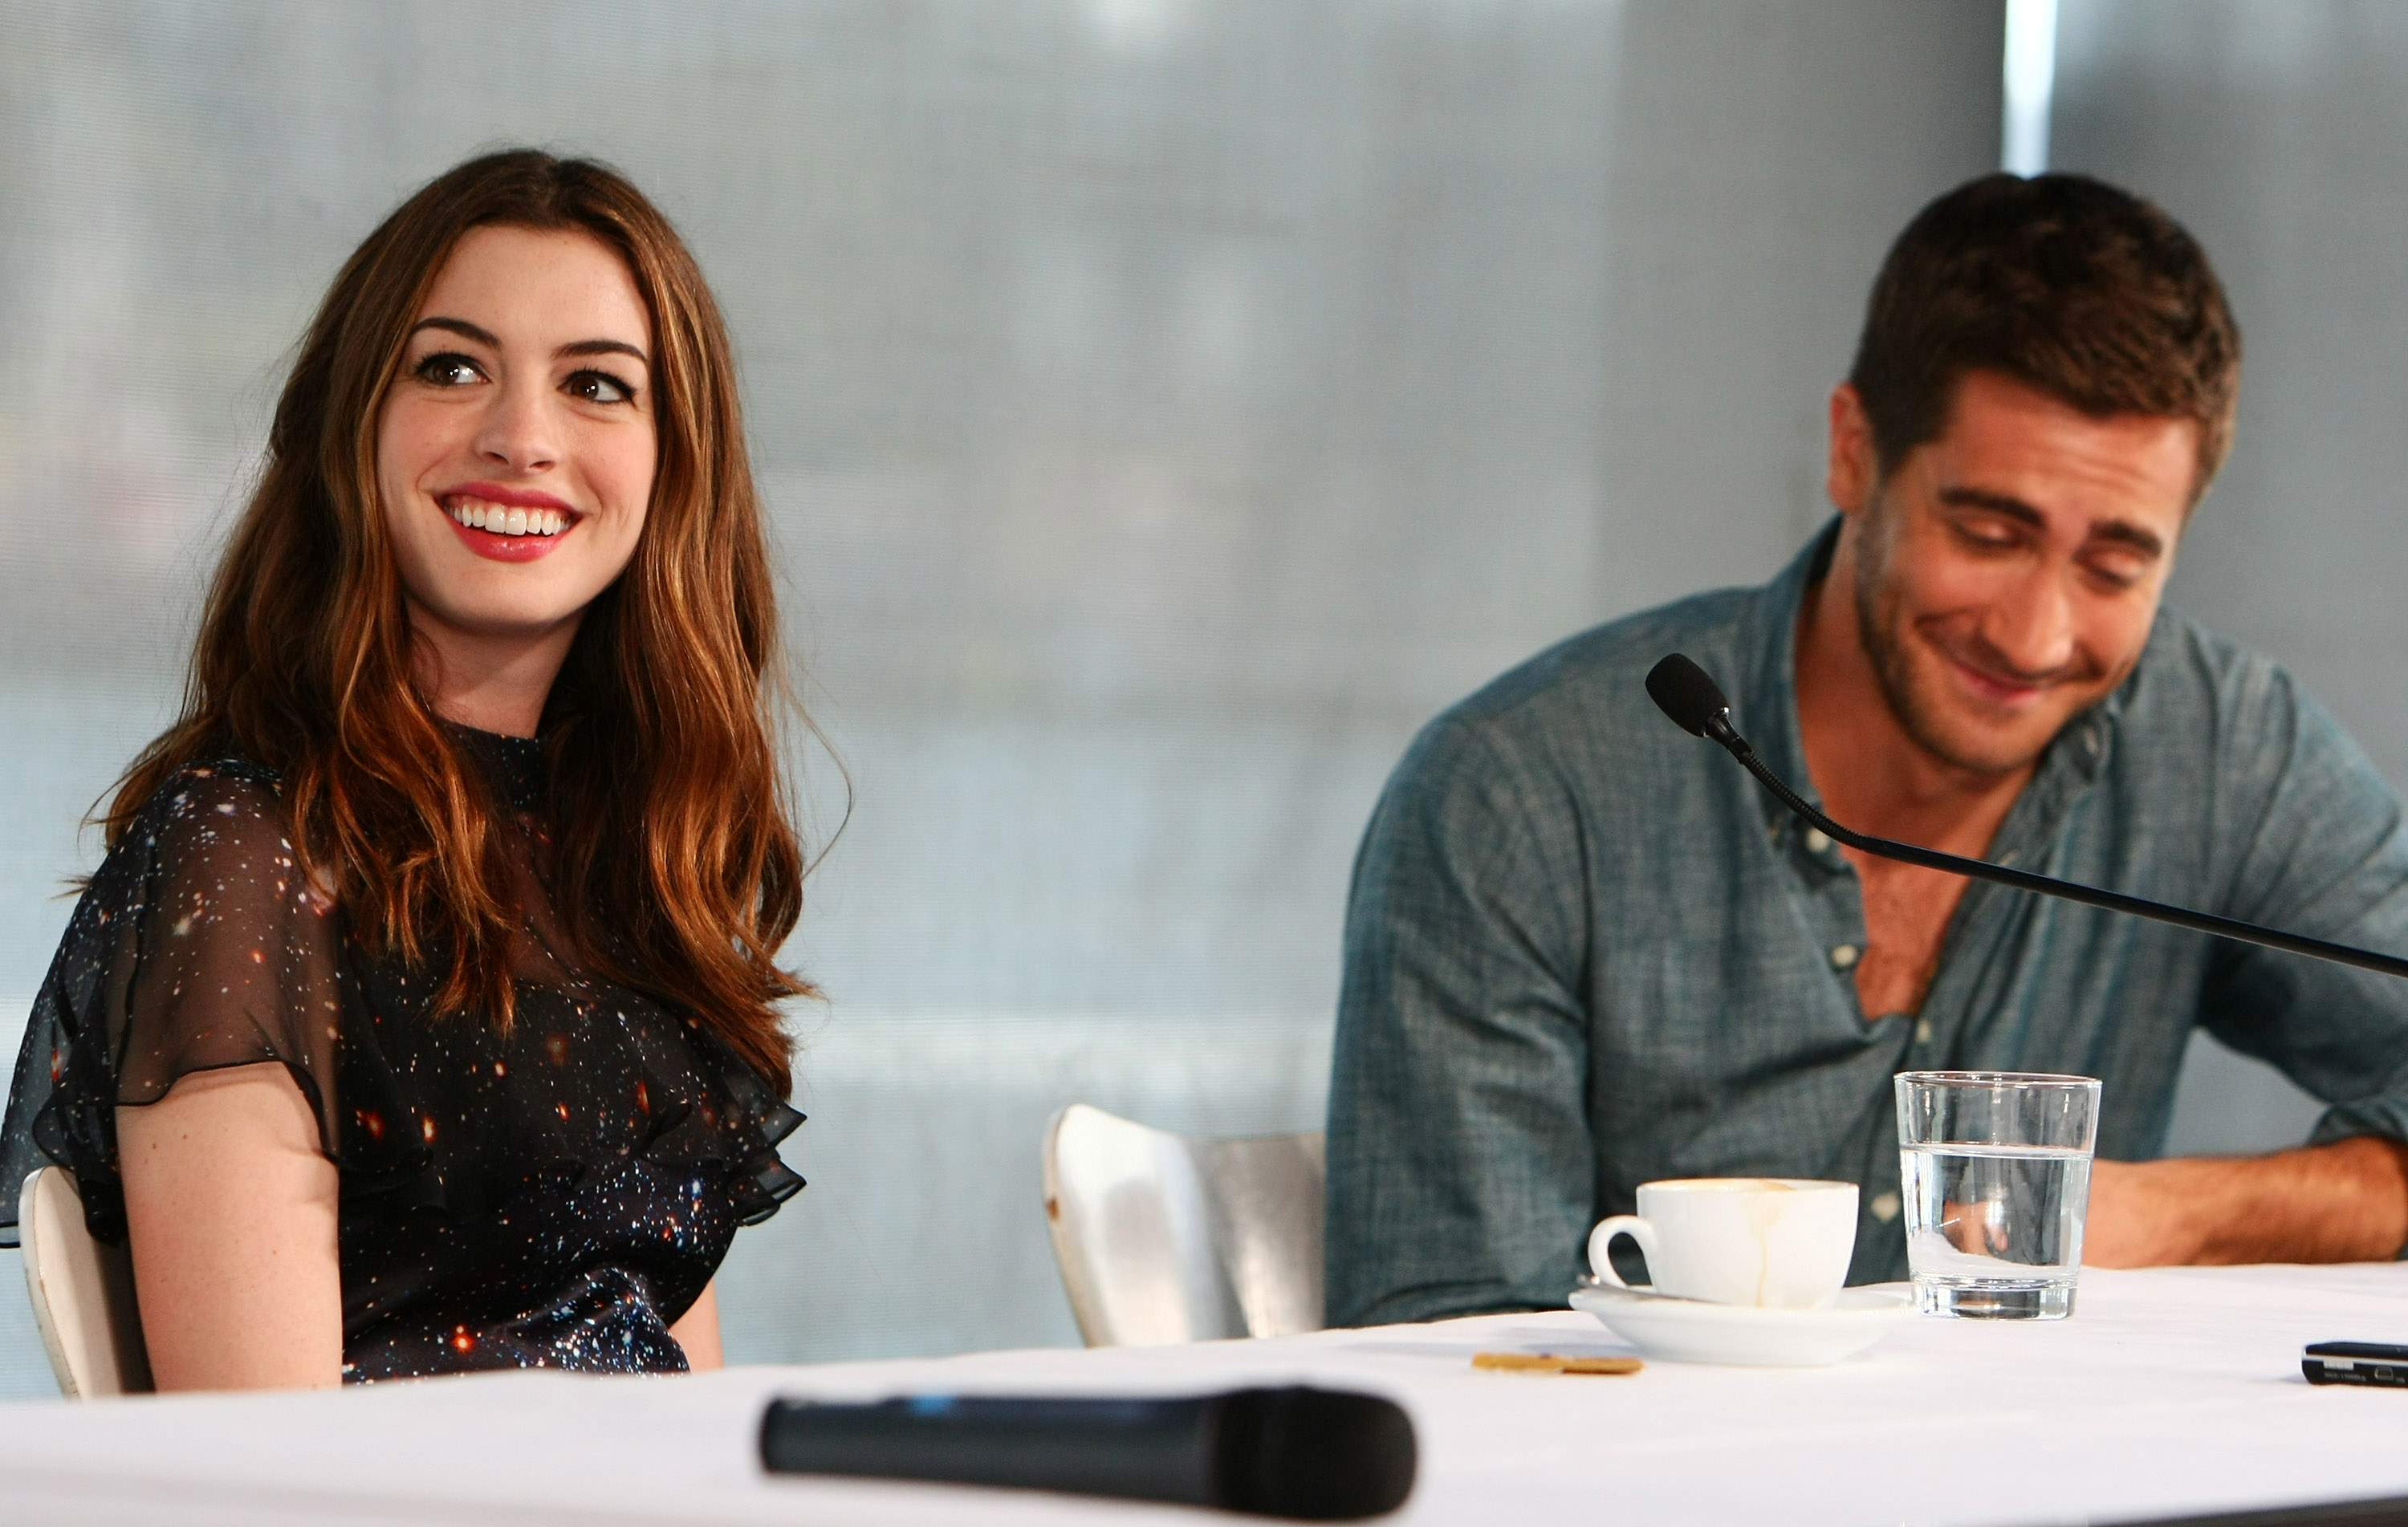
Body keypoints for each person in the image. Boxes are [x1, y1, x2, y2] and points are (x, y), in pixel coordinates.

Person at [1325, 172, 2408, 1327]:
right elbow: (1457, 1362)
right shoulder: (1521, 797)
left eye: (2114, 567)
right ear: (1853, 454)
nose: (2036, 636)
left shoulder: (2226, 750)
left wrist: (2178, 1218)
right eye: (1990, 534)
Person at [0, 150, 819, 1387]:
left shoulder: (625, 854)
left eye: (597, 385)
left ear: (673, 467)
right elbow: (265, 1469)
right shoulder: (250, 853)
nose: (523, 438)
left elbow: (667, 1362)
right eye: (451, 367)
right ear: (352, 427)